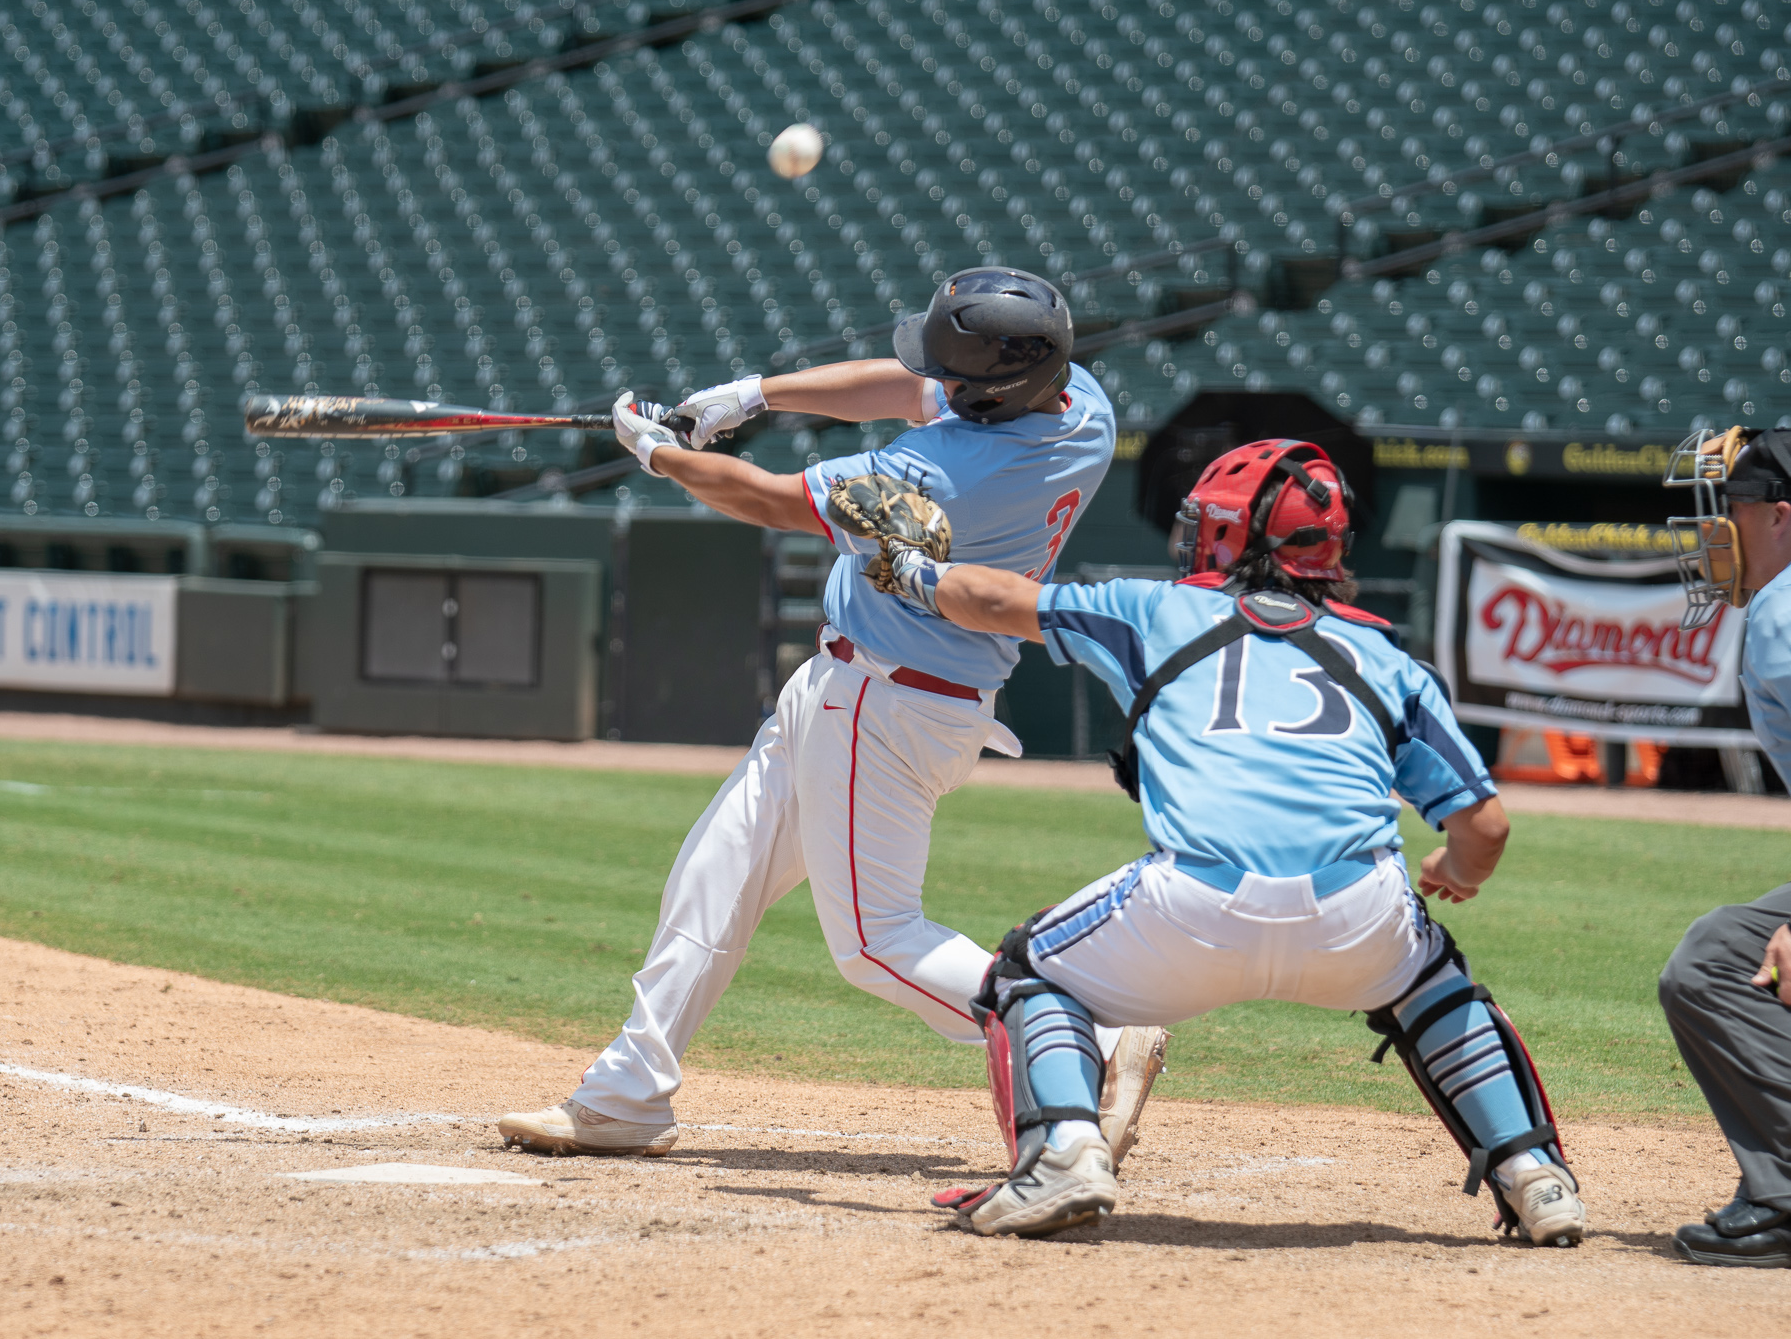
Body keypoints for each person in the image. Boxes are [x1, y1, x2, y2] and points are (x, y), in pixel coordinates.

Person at [497, 268, 1168, 1159]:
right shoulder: (1077, 403)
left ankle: (1087, 1036)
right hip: (862, 688)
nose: (939, 383)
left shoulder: (937, 475)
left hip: (886, 704)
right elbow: (903, 386)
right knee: (716, 872)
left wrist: (662, 455)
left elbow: (767, 500)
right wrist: (749, 395)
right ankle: (626, 1093)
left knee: (875, 941)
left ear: (995, 387)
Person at [849, 437, 1588, 1244]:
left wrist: (911, 569)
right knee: (1434, 983)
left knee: (1025, 967)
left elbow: (995, 600)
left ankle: (1064, 1151)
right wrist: (1457, 867)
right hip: (1360, 913)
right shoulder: (1384, 654)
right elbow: (1485, 823)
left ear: (1226, 536)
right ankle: (1535, 1174)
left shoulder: (1154, 610)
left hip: (1192, 906)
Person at [1658, 425, 1791, 1266]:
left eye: (1731, 510)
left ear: (1781, 517)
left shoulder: (1784, 612)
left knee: (1713, 963)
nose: (1714, 531)